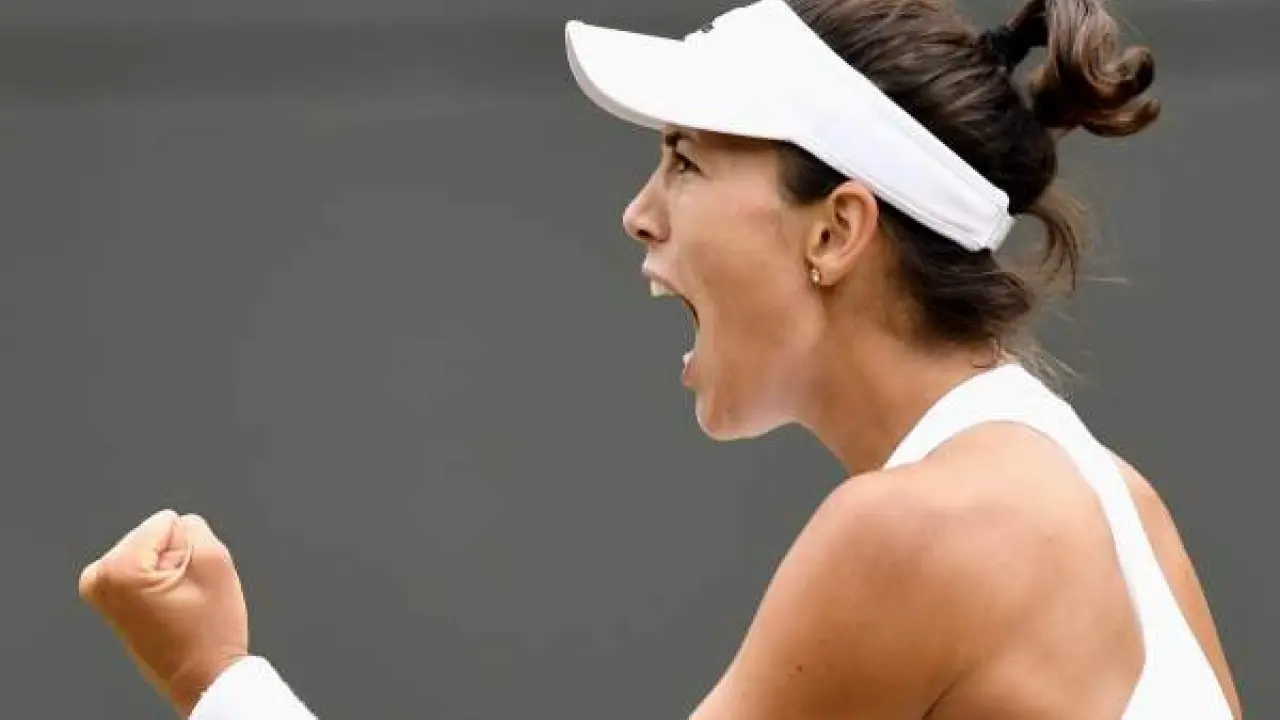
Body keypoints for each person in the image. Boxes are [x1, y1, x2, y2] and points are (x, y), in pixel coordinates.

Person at [76, 0, 1243, 718]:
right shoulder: (1114, 502)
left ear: (835, 230)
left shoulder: (913, 531)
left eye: (685, 161)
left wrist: (214, 679)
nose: (637, 213)